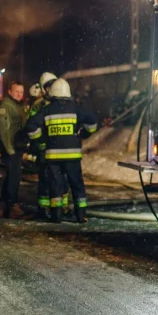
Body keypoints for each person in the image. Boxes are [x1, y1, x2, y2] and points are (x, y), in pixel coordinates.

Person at [24, 79, 97, 224]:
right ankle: (80, 216)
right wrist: (84, 134)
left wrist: (42, 139)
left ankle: (56, 216)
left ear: (52, 93)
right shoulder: (76, 108)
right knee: (76, 184)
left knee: (55, 185)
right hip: (72, 157)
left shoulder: (47, 110)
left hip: (53, 157)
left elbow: (31, 127)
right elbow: (93, 121)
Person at [29, 72, 58, 217]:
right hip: (45, 149)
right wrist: (40, 144)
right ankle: (44, 208)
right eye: (48, 86)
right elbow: (32, 126)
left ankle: (59, 208)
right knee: (45, 179)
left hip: (58, 149)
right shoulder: (38, 105)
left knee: (59, 180)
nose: (50, 89)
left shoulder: (61, 103)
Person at [0, 81, 27, 218]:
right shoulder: (6, 106)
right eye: (16, 91)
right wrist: (10, 150)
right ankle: (12, 206)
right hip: (11, 148)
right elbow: (4, 131)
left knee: (11, 176)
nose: (19, 94)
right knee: (14, 177)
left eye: (21, 92)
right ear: (9, 92)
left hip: (16, 147)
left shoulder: (17, 106)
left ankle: (3, 207)